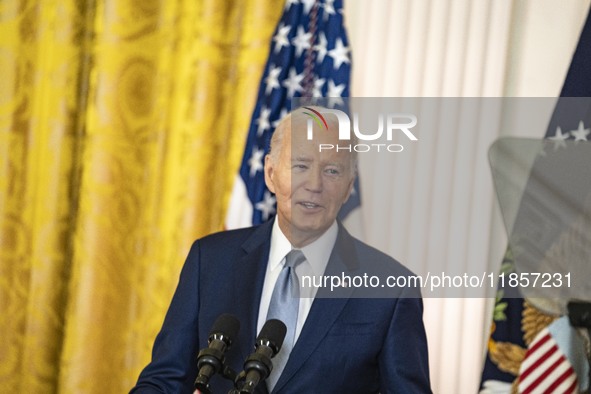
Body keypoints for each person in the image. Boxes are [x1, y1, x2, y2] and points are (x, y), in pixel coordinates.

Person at [131, 107, 431, 393]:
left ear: (349, 186)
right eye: (300, 165)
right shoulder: (209, 261)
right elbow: (164, 380)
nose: (314, 184)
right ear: (270, 173)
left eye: (332, 171)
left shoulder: (391, 291)